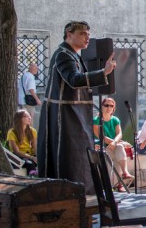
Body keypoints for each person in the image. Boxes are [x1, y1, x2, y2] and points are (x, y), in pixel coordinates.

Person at [37, 20, 115, 196]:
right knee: (70, 159)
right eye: (82, 33)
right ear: (69, 34)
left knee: (78, 157)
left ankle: (79, 195)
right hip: (65, 116)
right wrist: (103, 72)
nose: (87, 37)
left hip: (73, 114)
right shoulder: (63, 55)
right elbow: (73, 79)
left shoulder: (72, 55)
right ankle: (69, 195)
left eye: (88, 34)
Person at [93, 97, 133, 188]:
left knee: (119, 149)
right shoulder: (96, 120)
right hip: (101, 146)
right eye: (106, 105)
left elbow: (119, 134)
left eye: (111, 106)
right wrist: (117, 143)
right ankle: (119, 184)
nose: (109, 107)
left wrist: (115, 142)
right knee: (117, 151)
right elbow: (100, 136)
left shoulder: (115, 119)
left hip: (113, 145)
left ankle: (125, 172)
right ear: (101, 106)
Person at [6, 109, 38, 174]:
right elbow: (16, 152)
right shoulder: (11, 133)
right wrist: (31, 157)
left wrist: (37, 157)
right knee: (30, 164)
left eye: (29, 116)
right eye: (26, 116)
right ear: (19, 119)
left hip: (30, 155)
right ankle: (32, 178)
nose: (29, 118)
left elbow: (35, 147)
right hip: (19, 157)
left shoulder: (33, 131)